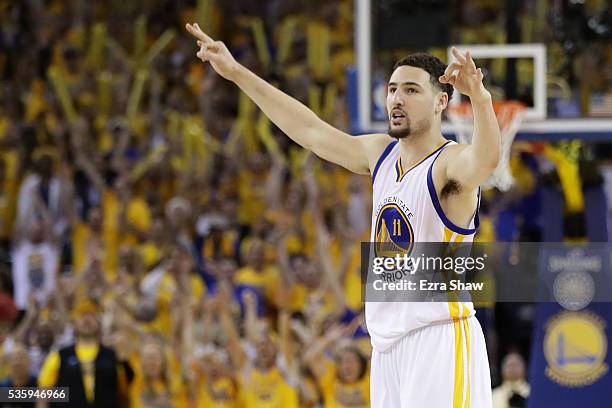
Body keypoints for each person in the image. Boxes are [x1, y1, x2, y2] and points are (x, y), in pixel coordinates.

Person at [186, 22, 500, 407]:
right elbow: (310, 131)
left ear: (441, 102)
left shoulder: (448, 165)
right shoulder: (380, 154)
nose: (397, 99)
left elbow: (484, 161)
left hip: (439, 339)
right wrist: (236, 73)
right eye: (392, 90)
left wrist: (481, 100)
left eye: (412, 90)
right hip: (387, 347)